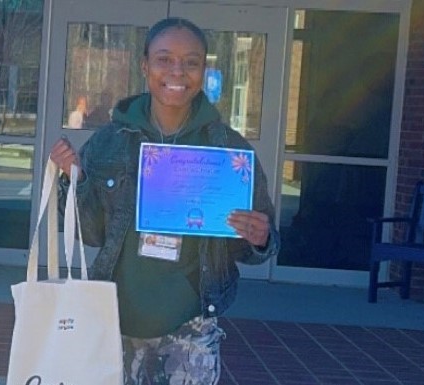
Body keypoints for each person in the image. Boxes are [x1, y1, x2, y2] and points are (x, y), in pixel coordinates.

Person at [49, 17, 280, 385]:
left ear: (204, 69)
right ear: (145, 66)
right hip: (113, 321)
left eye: (191, 62)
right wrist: (70, 179)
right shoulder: (110, 142)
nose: (177, 71)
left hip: (190, 326)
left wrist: (260, 238)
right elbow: (90, 233)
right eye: (164, 59)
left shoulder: (229, 149)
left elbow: (255, 246)